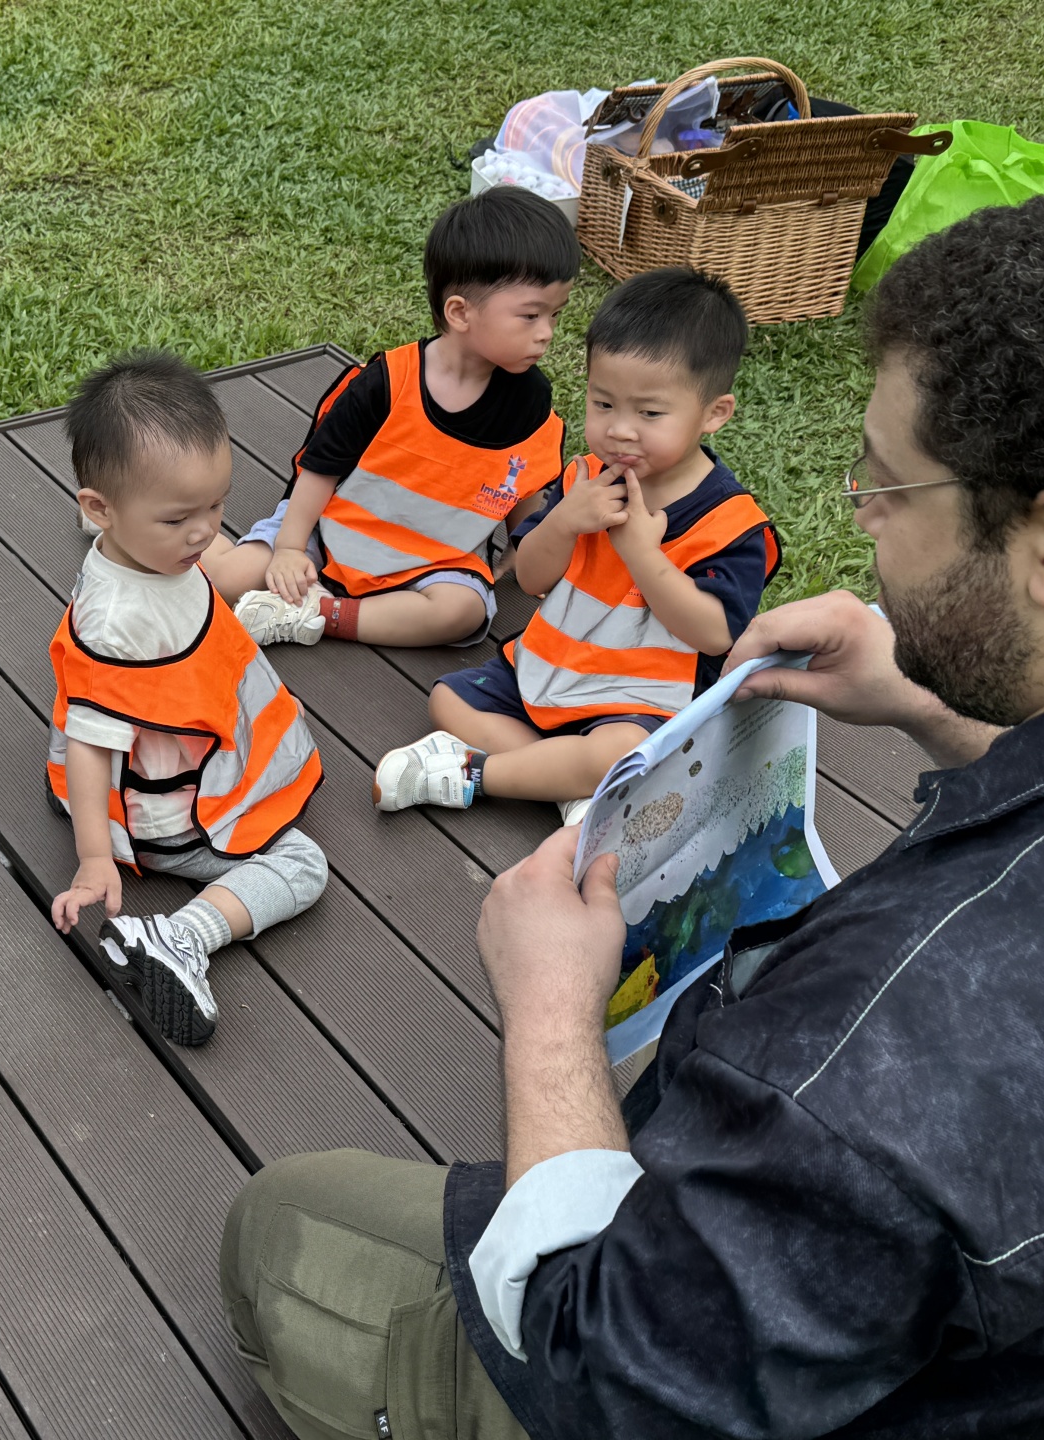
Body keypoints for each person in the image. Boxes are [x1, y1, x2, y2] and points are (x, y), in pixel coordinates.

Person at [219, 192, 1044, 1437]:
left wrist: (550, 1018)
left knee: (280, 1226)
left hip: (668, 1354)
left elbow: (617, 1376)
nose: (862, 515)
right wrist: (928, 706)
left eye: (888, 485)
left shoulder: (899, 1043)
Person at [374, 267, 778, 825]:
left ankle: (476, 775)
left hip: (640, 699)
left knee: (619, 750)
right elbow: (533, 579)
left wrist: (642, 554)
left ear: (715, 413)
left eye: (650, 413)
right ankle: (568, 784)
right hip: (554, 666)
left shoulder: (730, 524)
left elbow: (715, 634)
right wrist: (564, 521)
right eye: (603, 404)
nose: (620, 430)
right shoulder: (583, 478)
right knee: (448, 699)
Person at [47, 352, 329, 1046]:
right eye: (180, 518)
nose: (204, 533)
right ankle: (181, 936)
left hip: (181, 748)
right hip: (175, 813)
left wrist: (169, 528)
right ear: (98, 508)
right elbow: (89, 743)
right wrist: (95, 857)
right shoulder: (118, 625)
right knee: (303, 866)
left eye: (216, 505)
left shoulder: (147, 547)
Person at [203, 188, 579, 649]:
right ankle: (166, 534)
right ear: (460, 312)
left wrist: (523, 549)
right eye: (531, 315)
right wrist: (289, 548)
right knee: (231, 578)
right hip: (330, 529)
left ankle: (318, 615)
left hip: (436, 557)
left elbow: (525, 480)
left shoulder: (531, 400)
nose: (547, 334)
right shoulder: (385, 383)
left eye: (555, 315)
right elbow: (320, 470)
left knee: (461, 612)